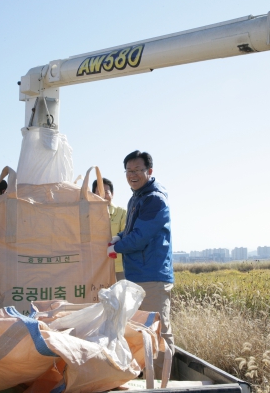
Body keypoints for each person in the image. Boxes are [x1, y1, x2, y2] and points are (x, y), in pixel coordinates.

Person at [107, 150, 174, 372]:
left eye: (137, 170)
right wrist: (119, 237)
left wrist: (116, 247)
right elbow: (131, 231)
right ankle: (147, 375)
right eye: (128, 171)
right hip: (137, 274)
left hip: (152, 275)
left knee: (159, 330)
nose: (132, 175)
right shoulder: (137, 197)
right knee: (141, 330)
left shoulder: (154, 199)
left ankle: (165, 382)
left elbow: (141, 237)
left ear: (149, 171)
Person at [92, 178, 127, 280]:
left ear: (112, 194)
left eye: (106, 192)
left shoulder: (122, 213)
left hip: (118, 267)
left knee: (120, 295)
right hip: (96, 267)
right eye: (98, 192)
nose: (102, 195)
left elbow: (126, 235)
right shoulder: (88, 215)